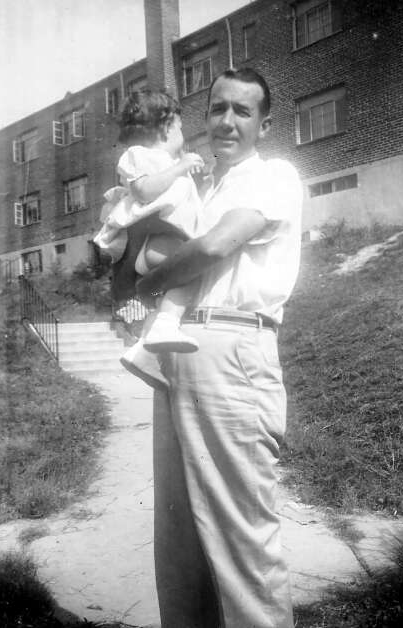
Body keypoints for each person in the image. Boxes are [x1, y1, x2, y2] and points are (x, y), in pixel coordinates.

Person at [135, 67, 303, 628]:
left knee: (239, 533)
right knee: (180, 535)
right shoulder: (204, 188)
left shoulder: (274, 175)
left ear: (265, 125)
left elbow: (216, 245)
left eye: (242, 111)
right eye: (217, 109)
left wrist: (147, 283)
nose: (227, 121)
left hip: (234, 347)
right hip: (179, 351)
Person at [93, 90, 205, 386]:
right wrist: (180, 167)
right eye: (180, 127)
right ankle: (166, 325)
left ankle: (142, 350)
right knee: (198, 266)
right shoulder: (140, 155)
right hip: (157, 238)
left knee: (160, 302)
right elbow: (143, 190)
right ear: (167, 127)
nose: (182, 133)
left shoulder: (166, 162)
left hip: (158, 241)